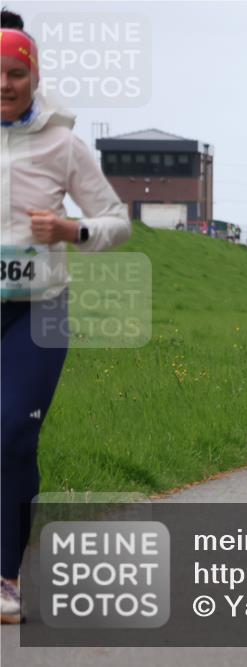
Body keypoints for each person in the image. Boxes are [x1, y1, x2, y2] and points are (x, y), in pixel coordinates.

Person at [1, 9, 132, 624]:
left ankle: (6, 577)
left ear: (34, 77)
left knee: (12, 433)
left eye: (15, 73)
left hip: (41, 310)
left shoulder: (62, 143)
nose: (4, 84)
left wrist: (70, 230)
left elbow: (118, 222)